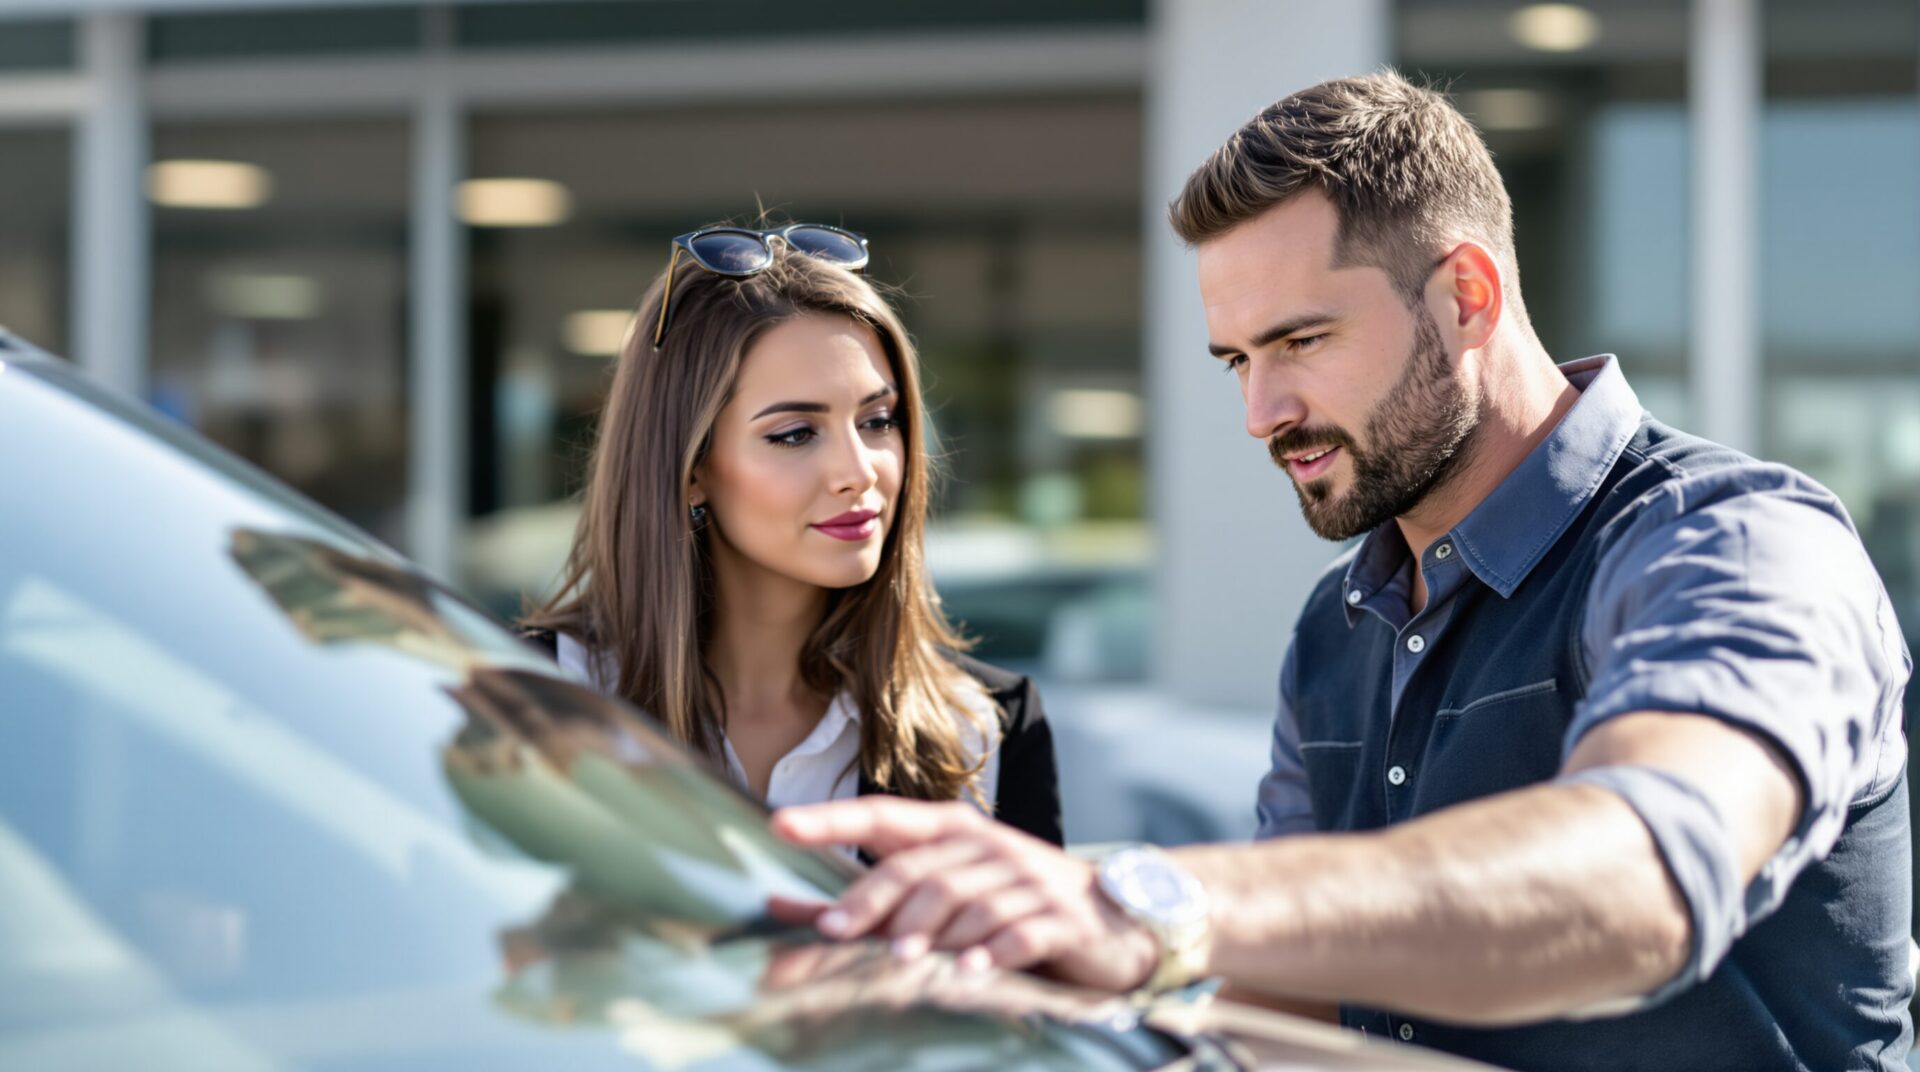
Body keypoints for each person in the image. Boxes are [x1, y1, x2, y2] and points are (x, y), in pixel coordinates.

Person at [766, 74, 1914, 1071]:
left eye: (1301, 341)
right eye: (1237, 359)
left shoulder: (1732, 543)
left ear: (1466, 297)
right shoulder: (1341, 624)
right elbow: (1292, 1011)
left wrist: (1150, 902)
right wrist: (1005, 997)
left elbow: (1639, 873)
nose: (1261, 411)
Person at [522, 222, 1061, 846]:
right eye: (795, 434)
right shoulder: (529, 699)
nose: (860, 471)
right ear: (691, 470)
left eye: (878, 420)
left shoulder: (985, 728)